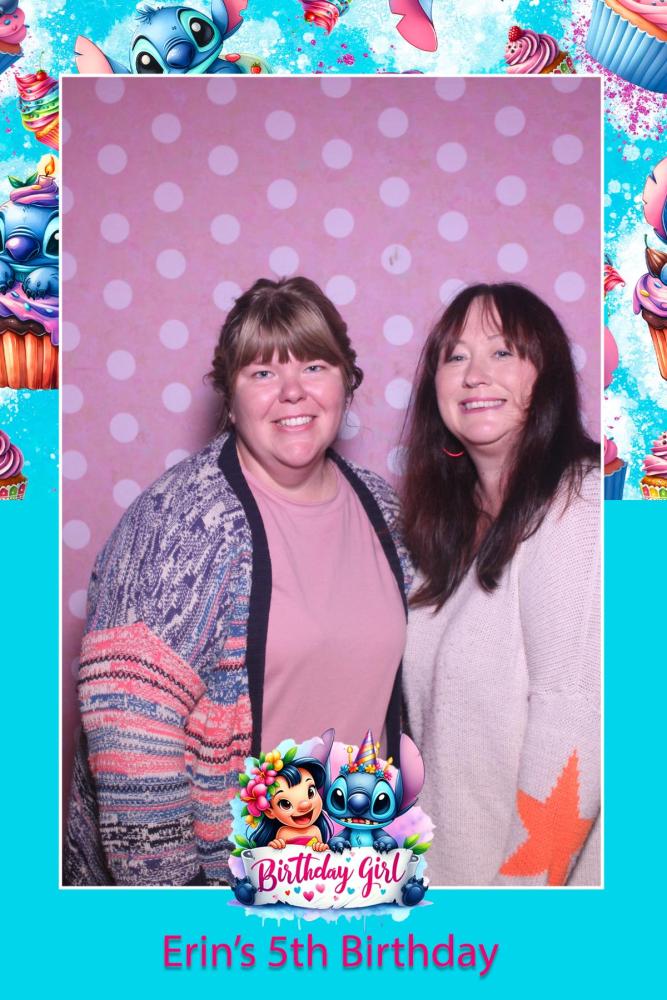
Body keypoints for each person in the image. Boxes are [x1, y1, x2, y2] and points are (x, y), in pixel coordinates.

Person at [65, 276, 410, 886]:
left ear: (346, 383)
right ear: (229, 398)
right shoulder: (179, 522)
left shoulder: (381, 506)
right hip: (225, 883)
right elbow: (128, 735)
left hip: (354, 864)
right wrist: (174, 913)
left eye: (315, 365)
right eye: (262, 372)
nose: (293, 391)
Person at [401, 283, 600, 886]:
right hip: (452, 880)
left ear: (548, 375)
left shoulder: (579, 504)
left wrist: (517, 910)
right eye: (455, 356)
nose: (474, 375)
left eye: (503, 352)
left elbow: (576, 725)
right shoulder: (447, 531)